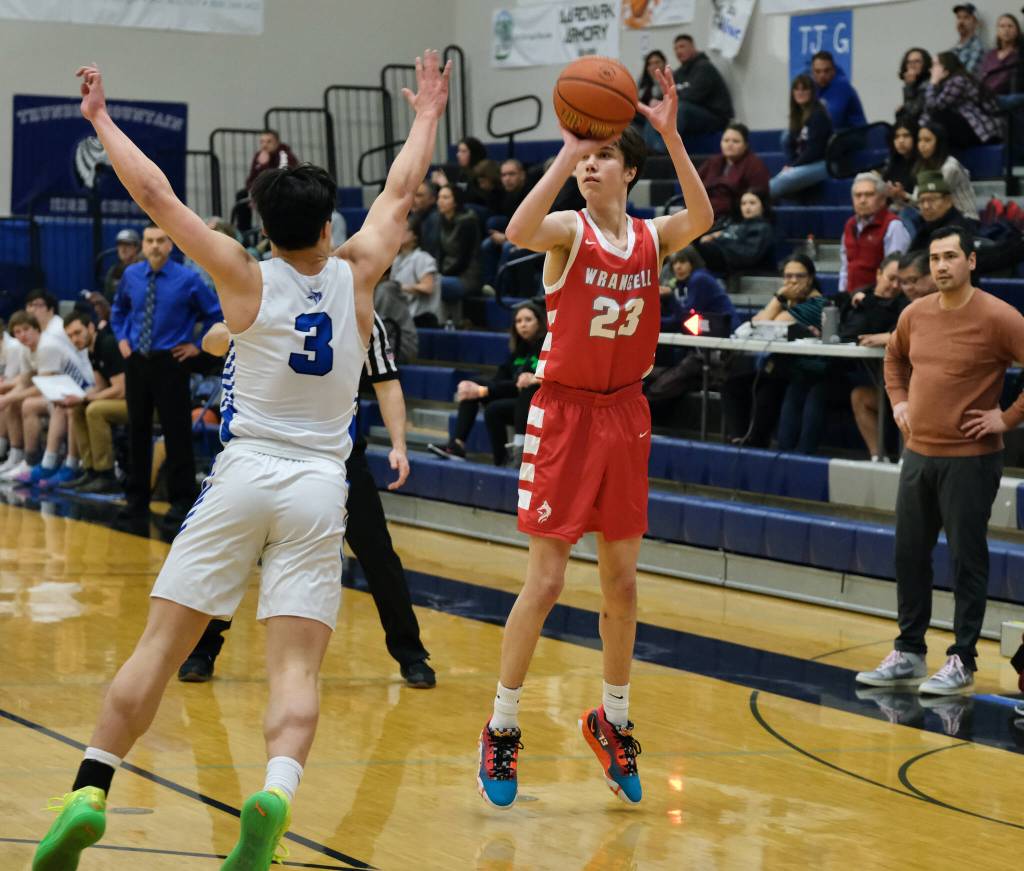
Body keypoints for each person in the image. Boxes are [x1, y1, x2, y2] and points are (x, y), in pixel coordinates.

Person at [31, 53, 449, 871]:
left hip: (245, 474)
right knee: (295, 665)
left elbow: (155, 195)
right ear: (330, 226)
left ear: (262, 223)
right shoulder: (360, 270)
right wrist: (428, 111)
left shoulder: (242, 276)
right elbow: (402, 189)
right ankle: (275, 796)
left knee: (157, 645)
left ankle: (90, 789)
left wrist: (101, 121)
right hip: (320, 486)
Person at [475, 63, 713, 808]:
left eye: (602, 156)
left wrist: (672, 135)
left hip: (626, 414)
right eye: (584, 158)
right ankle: (503, 727)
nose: (589, 166)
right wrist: (564, 148)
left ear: (629, 170)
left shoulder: (650, 235)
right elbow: (517, 227)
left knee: (622, 582)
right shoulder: (566, 233)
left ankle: (611, 721)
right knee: (545, 581)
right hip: (566, 411)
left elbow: (701, 216)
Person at [177, 314, 435, 688]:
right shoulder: (267, 291)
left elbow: (386, 380)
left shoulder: (360, 309)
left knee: (377, 552)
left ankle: (411, 654)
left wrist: (399, 445)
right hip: (269, 448)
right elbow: (212, 342)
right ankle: (203, 649)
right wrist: (236, 327)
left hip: (335, 452)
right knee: (238, 551)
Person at [856, 225, 1024, 695]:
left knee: (967, 559)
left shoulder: (999, 316)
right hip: (919, 455)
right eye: (934, 259)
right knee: (909, 554)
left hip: (971, 461)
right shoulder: (915, 313)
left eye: (950, 257)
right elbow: (893, 358)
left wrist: (1007, 418)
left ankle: (963, 659)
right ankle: (909, 652)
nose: (941, 266)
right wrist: (899, 402)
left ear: (971, 261)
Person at [111, 222, 223, 522]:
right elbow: (118, 310)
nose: (155, 246)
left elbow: (215, 314)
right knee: (137, 430)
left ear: (171, 245)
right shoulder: (131, 275)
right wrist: (122, 338)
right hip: (137, 360)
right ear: (143, 245)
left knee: (177, 433)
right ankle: (136, 500)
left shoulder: (188, 279)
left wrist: (198, 345)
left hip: (171, 363)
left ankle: (181, 500)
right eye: (149, 241)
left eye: (161, 240)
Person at [428, 301, 545, 465]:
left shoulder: (544, 347)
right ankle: (457, 445)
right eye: (518, 321)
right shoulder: (518, 350)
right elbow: (501, 380)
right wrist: (478, 388)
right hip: (512, 398)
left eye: (528, 320)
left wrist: (483, 391)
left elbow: (522, 386)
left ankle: (503, 460)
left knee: (492, 408)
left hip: (532, 404)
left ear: (539, 322)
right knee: (472, 385)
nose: (523, 325)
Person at [0, 309, 94, 483]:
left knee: (38, 405)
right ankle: (25, 459)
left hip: (83, 390)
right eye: (17, 332)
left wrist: (7, 398)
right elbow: (25, 382)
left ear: (37, 329)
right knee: (22, 403)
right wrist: (6, 398)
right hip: (60, 391)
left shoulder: (47, 346)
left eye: (26, 329)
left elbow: (40, 387)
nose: (22, 335)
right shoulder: (25, 349)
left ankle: (63, 464)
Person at [752, 255, 829, 455]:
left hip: (818, 375)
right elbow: (756, 323)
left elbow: (765, 325)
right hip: (794, 374)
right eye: (788, 276)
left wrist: (779, 297)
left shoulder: (818, 304)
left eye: (799, 276)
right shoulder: (791, 303)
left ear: (810, 279)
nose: (792, 281)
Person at [842, 253, 910, 460]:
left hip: (914, 389)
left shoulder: (905, 303)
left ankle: (909, 461)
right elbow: (851, 332)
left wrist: (889, 336)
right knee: (860, 397)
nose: (896, 285)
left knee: (907, 402)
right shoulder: (861, 296)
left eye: (902, 280)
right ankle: (877, 458)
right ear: (878, 274)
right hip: (886, 385)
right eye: (891, 278)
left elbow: (910, 333)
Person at [59, 310, 128, 493]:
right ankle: (90, 471)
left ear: (90, 327)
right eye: (70, 336)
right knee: (78, 408)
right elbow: (100, 386)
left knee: (94, 410)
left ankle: (105, 474)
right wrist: (75, 397)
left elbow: (121, 389)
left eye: (77, 333)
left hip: (139, 403)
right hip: (121, 400)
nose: (74, 339)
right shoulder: (92, 349)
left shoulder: (107, 344)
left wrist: (86, 397)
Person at [838, 172, 911, 294]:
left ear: (882, 199)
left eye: (869, 195)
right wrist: (842, 294)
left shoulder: (893, 225)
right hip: (851, 297)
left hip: (878, 300)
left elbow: (893, 272)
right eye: (858, 195)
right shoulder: (850, 225)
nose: (862, 200)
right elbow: (845, 267)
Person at [919, 51, 1002, 148]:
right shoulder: (943, 84)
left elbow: (934, 107)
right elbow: (927, 111)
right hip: (968, 128)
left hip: (981, 131)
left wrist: (932, 83)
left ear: (946, 66)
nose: (931, 69)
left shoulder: (958, 80)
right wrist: (918, 129)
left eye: (935, 65)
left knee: (940, 115)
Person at [769, 75, 833, 201]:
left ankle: (758, 204)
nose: (800, 93)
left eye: (804, 89)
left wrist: (794, 166)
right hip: (804, 163)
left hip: (821, 163)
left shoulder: (818, 115)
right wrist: (793, 166)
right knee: (785, 136)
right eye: (797, 89)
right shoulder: (797, 116)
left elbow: (815, 151)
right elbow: (794, 147)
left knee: (780, 181)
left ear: (812, 92)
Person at [697, 123, 771, 221]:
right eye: (726, 140)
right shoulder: (712, 162)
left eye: (735, 141)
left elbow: (756, 199)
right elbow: (695, 187)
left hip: (734, 218)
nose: (729, 144)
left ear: (746, 145)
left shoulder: (756, 166)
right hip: (703, 215)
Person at [694, 189, 774, 274]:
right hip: (718, 257)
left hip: (729, 263)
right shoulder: (735, 223)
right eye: (743, 203)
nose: (747, 207)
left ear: (763, 206)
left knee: (694, 249)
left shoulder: (763, 228)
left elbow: (749, 255)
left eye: (752, 203)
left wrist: (719, 238)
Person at [235, 128, 299, 232]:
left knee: (273, 197)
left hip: (282, 191)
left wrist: (265, 165)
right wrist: (253, 193)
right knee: (241, 195)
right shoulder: (259, 155)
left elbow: (282, 178)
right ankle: (243, 233)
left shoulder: (284, 154)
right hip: (263, 189)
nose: (264, 145)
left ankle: (272, 232)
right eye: (262, 142)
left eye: (269, 141)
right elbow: (251, 179)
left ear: (277, 142)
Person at [670, 34, 733, 138]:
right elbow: (668, 95)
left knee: (680, 108)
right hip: (692, 115)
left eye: (682, 46)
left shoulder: (704, 67)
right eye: (676, 48)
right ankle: (648, 148)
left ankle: (664, 148)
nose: (678, 51)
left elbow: (693, 96)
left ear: (693, 48)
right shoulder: (678, 73)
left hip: (715, 118)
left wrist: (672, 100)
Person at [911, 122, 978, 220]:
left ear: (939, 143)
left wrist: (905, 197)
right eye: (919, 140)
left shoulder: (950, 167)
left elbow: (930, 199)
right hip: (939, 218)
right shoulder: (923, 166)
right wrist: (902, 196)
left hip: (964, 220)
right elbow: (920, 199)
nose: (922, 145)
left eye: (927, 140)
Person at [907, 171, 976, 253]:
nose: (926, 206)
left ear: (948, 201)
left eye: (931, 200)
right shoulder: (925, 228)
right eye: (922, 201)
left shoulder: (957, 230)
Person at [435, 183, 481, 304]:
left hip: (466, 276)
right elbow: (441, 253)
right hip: (447, 273)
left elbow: (464, 260)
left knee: (434, 286)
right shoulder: (442, 220)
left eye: (445, 197)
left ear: (456, 201)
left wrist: (441, 275)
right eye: (439, 197)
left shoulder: (467, 222)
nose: (440, 201)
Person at [391, 218, 440, 327]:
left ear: (415, 236)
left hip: (422, 318)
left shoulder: (422, 258)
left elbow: (427, 287)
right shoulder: (396, 260)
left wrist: (398, 287)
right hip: (402, 317)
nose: (399, 233)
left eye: (404, 230)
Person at [810, 51, 867, 130]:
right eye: (818, 71)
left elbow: (833, 119)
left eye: (826, 71)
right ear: (812, 72)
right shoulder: (813, 86)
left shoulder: (842, 86)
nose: (822, 75)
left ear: (833, 70)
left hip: (853, 137)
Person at [979, 13, 1024, 101]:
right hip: (986, 96)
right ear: (997, 31)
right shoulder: (990, 54)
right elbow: (982, 76)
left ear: (1017, 31)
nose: (1006, 30)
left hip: (1007, 98)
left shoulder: (1020, 54)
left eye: (1010, 26)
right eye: (1002, 26)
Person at [882, 122, 919, 209]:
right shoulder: (892, 163)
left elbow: (923, 203)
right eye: (896, 137)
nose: (901, 141)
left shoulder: (923, 163)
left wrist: (903, 195)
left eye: (906, 136)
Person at [896, 47, 933, 127]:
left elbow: (913, 113)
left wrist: (909, 86)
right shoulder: (915, 84)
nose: (912, 65)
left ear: (925, 64)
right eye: (909, 62)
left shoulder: (928, 84)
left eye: (917, 61)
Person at [103, 228, 143, 300]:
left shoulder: (143, 269)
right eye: (120, 244)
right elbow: (108, 296)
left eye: (127, 244)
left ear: (137, 247)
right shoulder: (114, 270)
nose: (123, 249)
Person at [951, 2, 985, 75]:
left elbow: (967, 76)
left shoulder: (977, 48)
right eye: (958, 17)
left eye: (966, 17)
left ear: (975, 22)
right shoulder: (954, 49)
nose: (961, 22)